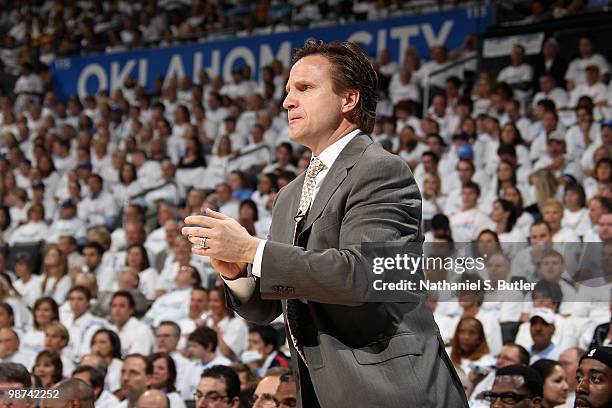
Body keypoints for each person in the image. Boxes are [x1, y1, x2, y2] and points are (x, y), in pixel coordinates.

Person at [182, 40, 467, 407]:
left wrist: (253, 249)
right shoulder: (288, 195)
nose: (287, 102)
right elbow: (269, 307)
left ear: (348, 99)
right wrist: (238, 272)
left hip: (392, 390)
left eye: (305, 88)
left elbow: (361, 276)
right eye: (287, 92)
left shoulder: (380, 169)